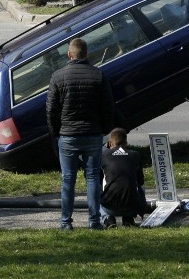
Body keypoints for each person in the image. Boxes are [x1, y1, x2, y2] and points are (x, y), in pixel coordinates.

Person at [46, 37, 115, 231]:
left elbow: (51, 109)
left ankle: (66, 222)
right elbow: (108, 106)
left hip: (67, 134)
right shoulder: (98, 75)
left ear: (69, 54)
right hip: (92, 133)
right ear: (87, 54)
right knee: (92, 177)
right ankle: (94, 221)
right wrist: (105, 129)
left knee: (68, 179)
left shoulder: (58, 76)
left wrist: (55, 133)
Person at [100, 128, 145, 229]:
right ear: (126, 142)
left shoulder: (103, 155)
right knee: (140, 186)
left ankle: (108, 219)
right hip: (131, 206)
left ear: (110, 143)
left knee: (96, 186)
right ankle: (129, 218)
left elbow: (98, 180)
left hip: (109, 207)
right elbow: (140, 181)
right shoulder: (135, 155)